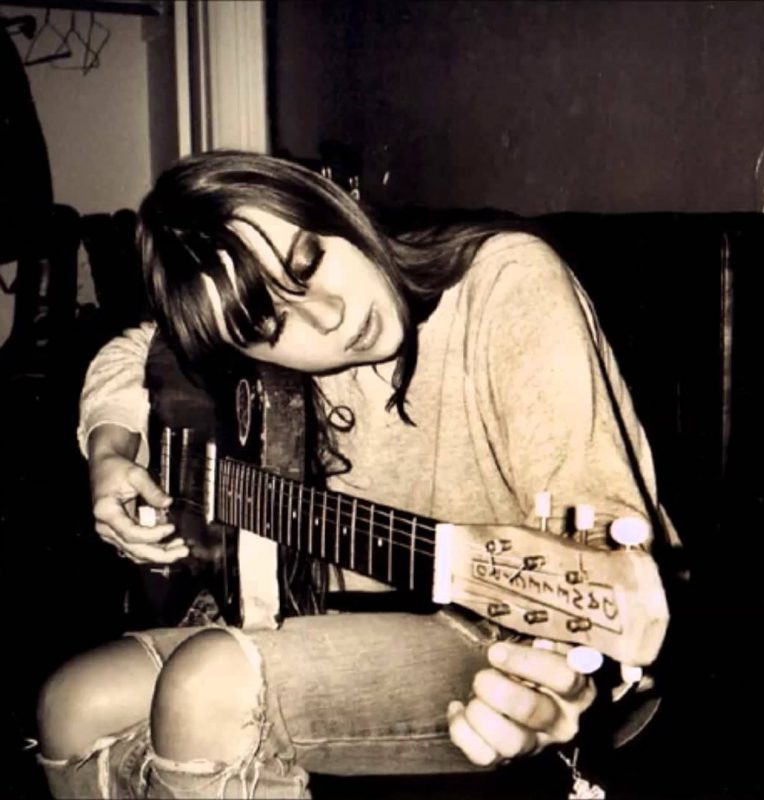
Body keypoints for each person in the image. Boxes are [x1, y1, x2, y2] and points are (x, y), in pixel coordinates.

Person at [35, 150, 679, 799]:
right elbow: (135, 351)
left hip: (501, 634)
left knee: (209, 680)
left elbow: (596, 537)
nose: (329, 316)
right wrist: (110, 454)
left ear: (333, 207)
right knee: (73, 704)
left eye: (308, 263)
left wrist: (552, 677)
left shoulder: (507, 279)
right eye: (269, 324)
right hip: (363, 615)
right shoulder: (261, 364)